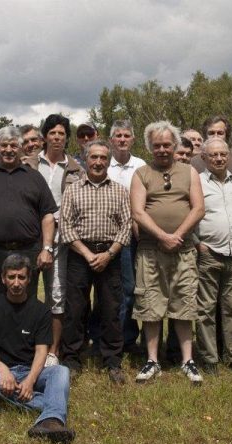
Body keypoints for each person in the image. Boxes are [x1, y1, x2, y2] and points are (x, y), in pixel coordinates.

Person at [130, 120, 205, 383]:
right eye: (157, 145)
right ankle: (152, 360)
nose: (162, 149)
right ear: (150, 147)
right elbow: (138, 212)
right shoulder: (141, 173)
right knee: (151, 304)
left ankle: (188, 361)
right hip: (151, 250)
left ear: (175, 145)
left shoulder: (190, 172)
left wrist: (177, 236)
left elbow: (198, 208)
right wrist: (162, 236)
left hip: (183, 249)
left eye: (166, 144)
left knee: (184, 304)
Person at [0, 254, 75, 444]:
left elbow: (41, 351)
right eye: (11, 277)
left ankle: (50, 421)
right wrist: (2, 369)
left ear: (29, 280)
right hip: (2, 372)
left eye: (21, 277)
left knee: (61, 371)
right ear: (3, 279)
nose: (16, 283)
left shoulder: (41, 310)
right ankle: (51, 406)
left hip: (32, 370)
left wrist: (30, 380)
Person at [59, 140, 130, 383]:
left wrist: (109, 254)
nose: (98, 162)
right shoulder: (73, 189)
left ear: (109, 162)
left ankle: (112, 359)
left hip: (110, 254)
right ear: (85, 160)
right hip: (80, 255)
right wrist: (88, 254)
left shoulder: (120, 190)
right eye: (94, 157)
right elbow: (65, 226)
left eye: (103, 158)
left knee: (111, 309)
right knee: (76, 308)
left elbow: (126, 225)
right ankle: (71, 358)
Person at [0, 125, 56, 304]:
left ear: (21, 148)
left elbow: (47, 216)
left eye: (14, 146)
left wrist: (46, 249)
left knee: (26, 304)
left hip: (27, 250)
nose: (8, 150)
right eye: (4, 145)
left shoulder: (34, 177)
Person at [24, 114, 86, 367]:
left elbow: (82, 202)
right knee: (24, 290)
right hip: (28, 237)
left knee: (57, 295)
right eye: (52, 133)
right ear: (44, 136)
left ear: (66, 138)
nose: (57, 137)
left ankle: (52, 350)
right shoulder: (27, 164)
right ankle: (25, 345)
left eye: (62, 134)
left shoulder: (76, 168)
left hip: (61, 239)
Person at [192, 138, 232, 372]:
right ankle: (209, 358)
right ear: (204, 157)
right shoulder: (196, 183)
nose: (219, 158)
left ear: (228, 156)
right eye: (213, 155)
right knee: (205, 308)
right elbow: (190, 215)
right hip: (209, 253)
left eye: (223, 154)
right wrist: (198, 244)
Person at [106, 119, 146, 353]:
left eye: (126, 135)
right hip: (106, 235)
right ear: (111, 140)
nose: (122, 139)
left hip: (133, 236)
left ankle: (127, 339)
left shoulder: (141, 166)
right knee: (108, 292)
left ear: (133, 139)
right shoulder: (104, 164)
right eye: (118, 136)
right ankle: (108, 338)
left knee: (130, 290)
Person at [190, 116, 232, 186]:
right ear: (205, 136)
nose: (215, 136)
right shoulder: (194, 163)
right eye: (211, 133)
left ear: (226, 135)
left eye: (220, 133)